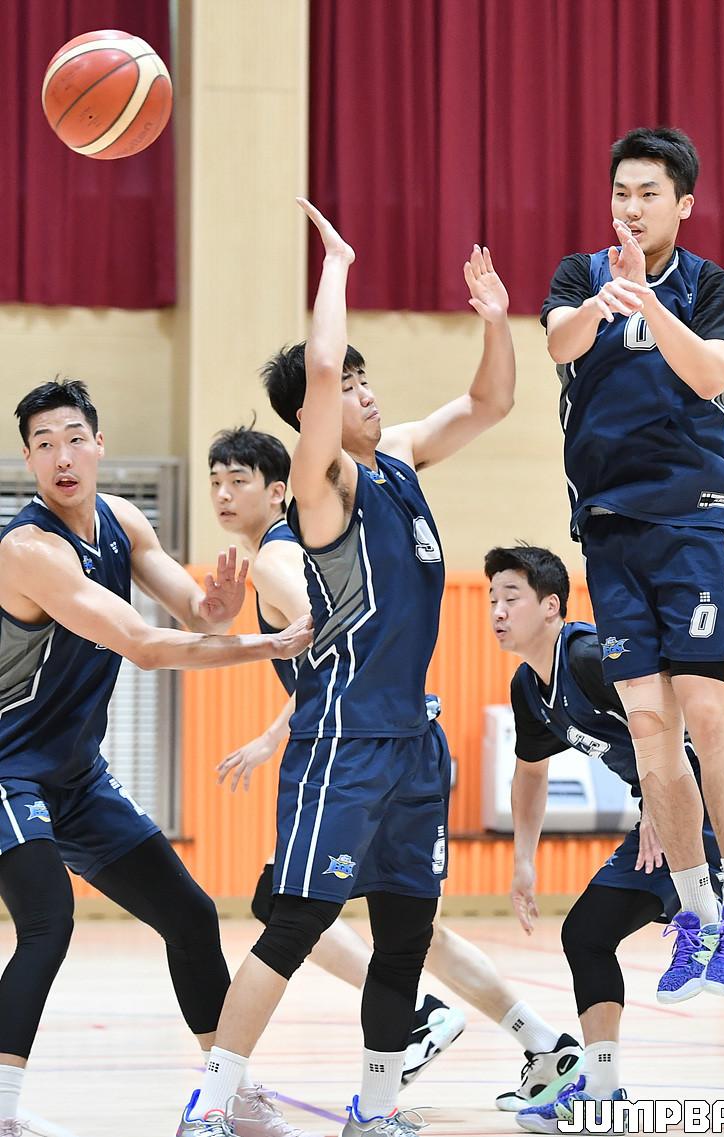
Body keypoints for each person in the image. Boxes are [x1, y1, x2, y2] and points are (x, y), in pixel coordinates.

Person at [176, 196, 516, 1137]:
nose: (365, 392)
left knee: (406, 933)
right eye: (352, 384)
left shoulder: (398, 462)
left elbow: (490, 403)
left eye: (369, 381)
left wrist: (496, 323)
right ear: (315, 417)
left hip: (413, 741)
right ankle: (210, 1103)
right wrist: (338, 265)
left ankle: (375, 1107)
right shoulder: (322, 488)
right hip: (344, 744)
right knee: (294, 924)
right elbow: (320, 368)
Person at [208, 426, 582, 1108]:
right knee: (407, 927)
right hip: (395, 743)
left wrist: (270, 734)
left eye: (239, 480)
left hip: (370, 750)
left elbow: (338, 644)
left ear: (279, 489)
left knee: (293, 911)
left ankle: (415, 1024)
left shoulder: (279, 555)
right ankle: (539, 1040)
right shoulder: (296, 547)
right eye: (215, 483)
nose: (224, 494)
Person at [0, 380, 312, 1137]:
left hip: (77, 778)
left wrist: (219, 607)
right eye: (44, 445)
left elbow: (196, 612)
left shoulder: (123, 521)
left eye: (74, 439)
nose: (62, 457)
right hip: (8, 769)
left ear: (99, 445)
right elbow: (142, 645)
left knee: (190, 915)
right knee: (47, 921)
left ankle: (226, 1095)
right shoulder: (27, 550)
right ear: (28, 460)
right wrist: (268, 643)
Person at [540, 126, 724, 1000]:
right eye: (621, 193)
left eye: (648, 194)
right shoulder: (580, 276)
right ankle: (695, 911)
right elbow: (560, 344)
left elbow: (710, 375)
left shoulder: (711, 286)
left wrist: (650, 301)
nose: (631, 208)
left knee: (706, 708)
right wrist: (607, 300)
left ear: (684, 204)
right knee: (646, 726)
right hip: (609, 526)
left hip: (696, 518)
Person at [485, 543, 724, 1133]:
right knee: (586, 934)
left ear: (551, 606)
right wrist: (523, 861)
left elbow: (674, 721)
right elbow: (530, 775)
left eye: (511, 597)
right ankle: (603, 1094)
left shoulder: (589, 657)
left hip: (716, 793)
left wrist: (660, 806)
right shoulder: (529, 689)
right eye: (491, 600)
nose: (498, 612)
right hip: (661, 812)